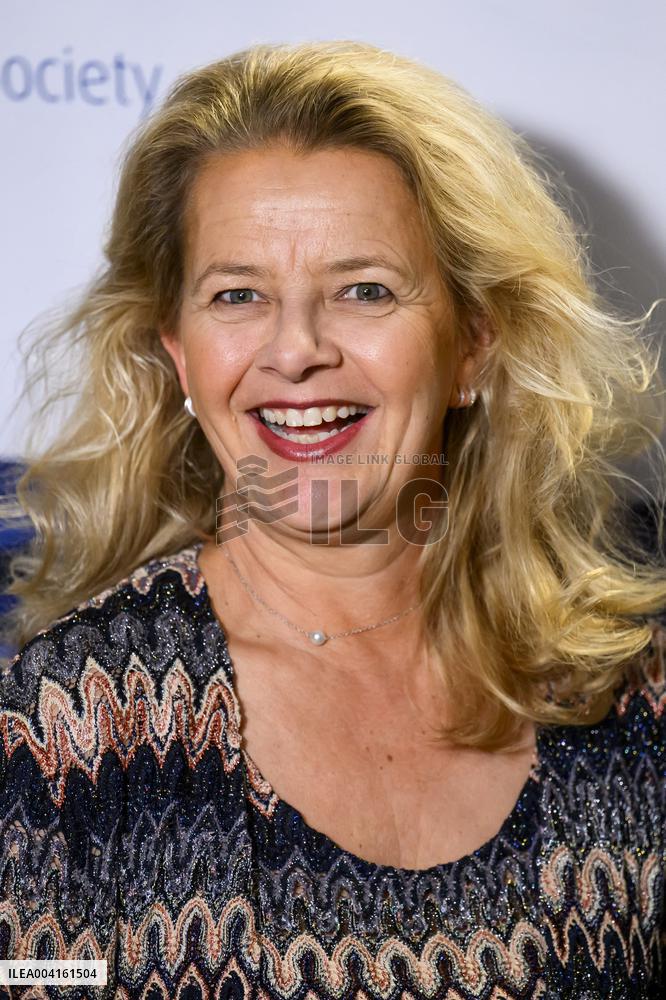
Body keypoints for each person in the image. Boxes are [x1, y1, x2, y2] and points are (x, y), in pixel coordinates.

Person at [1, 39, 665, 999]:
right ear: (180, 356)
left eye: (364, 290)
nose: (297, 350)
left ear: (477, 343)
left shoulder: (631, 689)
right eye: (239, 295)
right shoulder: (65, 720)